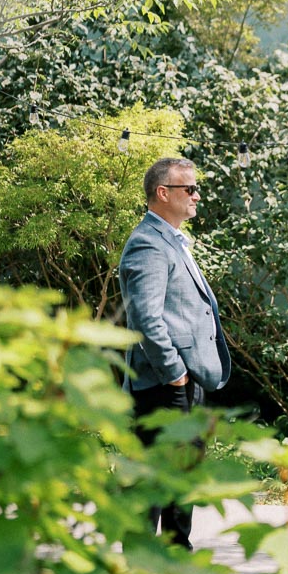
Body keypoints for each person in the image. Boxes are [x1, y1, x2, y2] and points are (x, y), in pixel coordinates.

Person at [118, 156, 231, 548]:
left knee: (181, 481)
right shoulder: (148, 243)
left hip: (186, 382)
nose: (197, 195)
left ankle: (175, 570)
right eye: (190, 189)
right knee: (152, 485)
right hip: (163, 386)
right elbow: (147, 318)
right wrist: (175, 375)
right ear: (163, 193)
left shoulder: (171, 240)